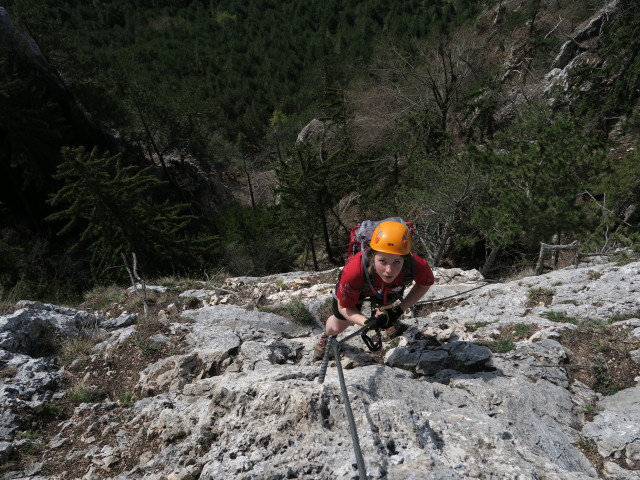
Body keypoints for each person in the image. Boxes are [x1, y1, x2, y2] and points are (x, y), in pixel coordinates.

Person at [314, 219, 435, 359]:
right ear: (372, 256)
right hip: (361, 287)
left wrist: (398, 310)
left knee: (387, 309)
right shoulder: (355, 270)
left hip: (388, 289)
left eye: (397, 261)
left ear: (405, 259)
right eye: (382, 261)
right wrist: (366, 322)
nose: (389, 270)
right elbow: (344, 308)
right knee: (337, 326)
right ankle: (328, 336)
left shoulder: (415, 265)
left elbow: (424, 284)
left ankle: (388, 323)